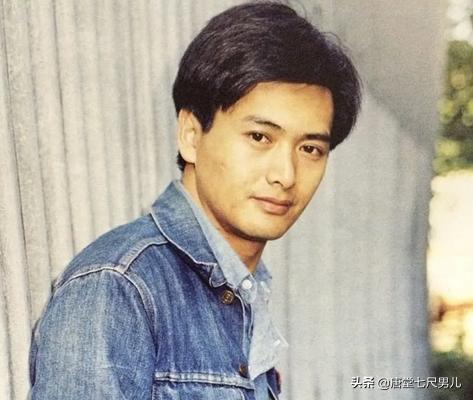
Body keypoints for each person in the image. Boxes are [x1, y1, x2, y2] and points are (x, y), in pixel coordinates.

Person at [29, 1, 361, 399]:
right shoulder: (118, 287)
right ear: (190, 135)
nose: (285, 175)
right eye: (260, 137)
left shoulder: (246, 291)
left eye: (310, 149)